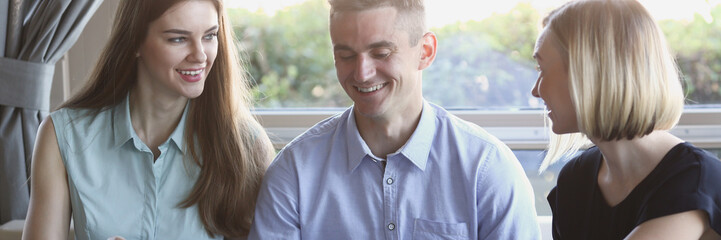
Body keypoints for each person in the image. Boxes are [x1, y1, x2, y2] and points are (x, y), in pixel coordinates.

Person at [249, 0, 540, 239]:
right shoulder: (294, 172)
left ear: (425, 52)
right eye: (346, 55)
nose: (362, 73)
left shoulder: (487, 169)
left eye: (381, 53)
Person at [22, 0, 275, 239]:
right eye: (178, 38)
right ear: (135, 42)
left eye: (209, 36)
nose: (200, 55)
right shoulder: (62, 136)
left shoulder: (246, 145)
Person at [532, 0, 721, 239]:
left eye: (542, 68)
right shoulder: (575, 179)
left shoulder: (695, 181)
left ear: (589, 73)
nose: (535, 91)